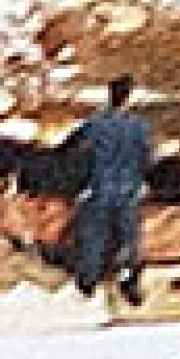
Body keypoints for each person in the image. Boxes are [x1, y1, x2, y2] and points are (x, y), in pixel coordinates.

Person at [75, 74, 150, 305]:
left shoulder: (95, 124)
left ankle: (89, 282)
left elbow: (80, 153)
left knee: (94, 237)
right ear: (129, 97)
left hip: (100, 186)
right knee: (130, 238)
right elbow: (146, 156)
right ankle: (130, 280)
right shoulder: (138, 126)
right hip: (129, 187)